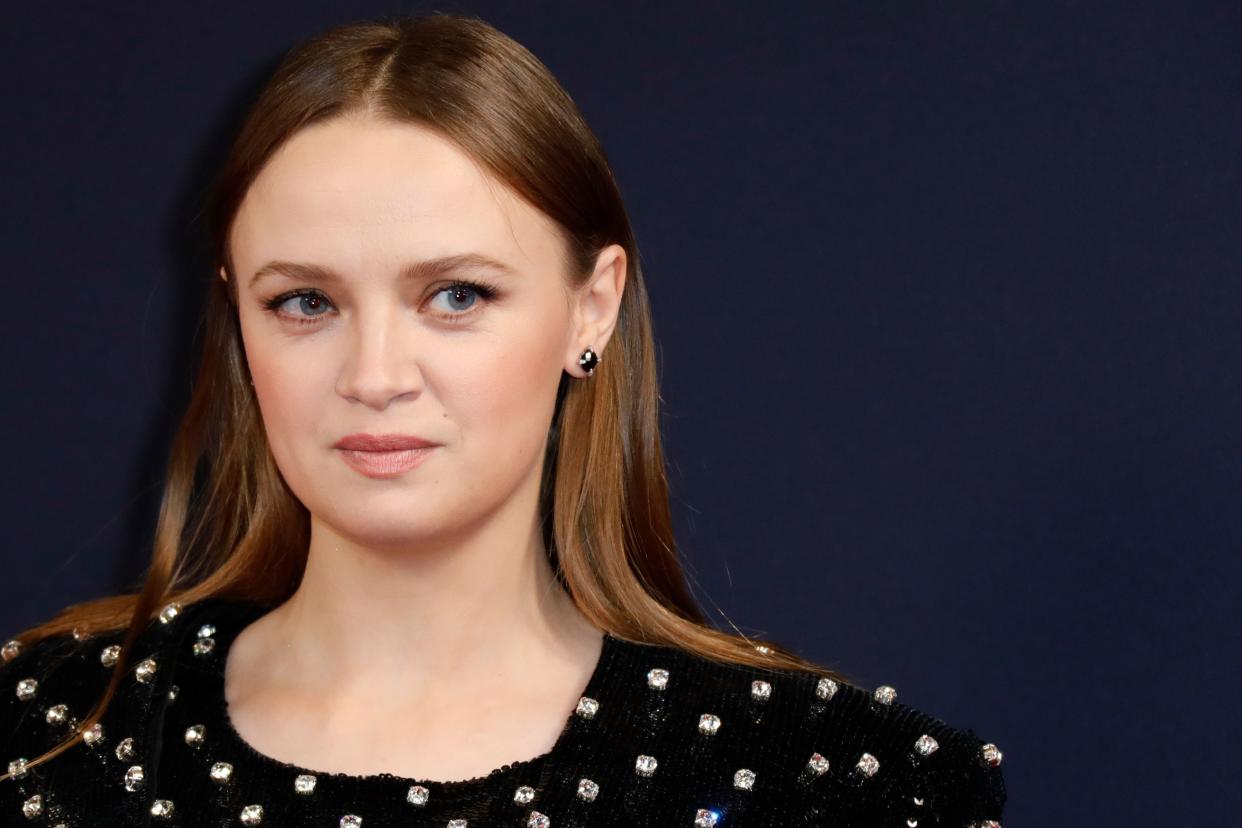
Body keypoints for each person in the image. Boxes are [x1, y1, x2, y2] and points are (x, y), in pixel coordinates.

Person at [0, 12, 1006, 827]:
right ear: (234, 314)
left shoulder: (834, 790)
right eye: (304, 302)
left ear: (593, 306)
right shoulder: (42, 741)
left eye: (457, 296)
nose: (376, 375)